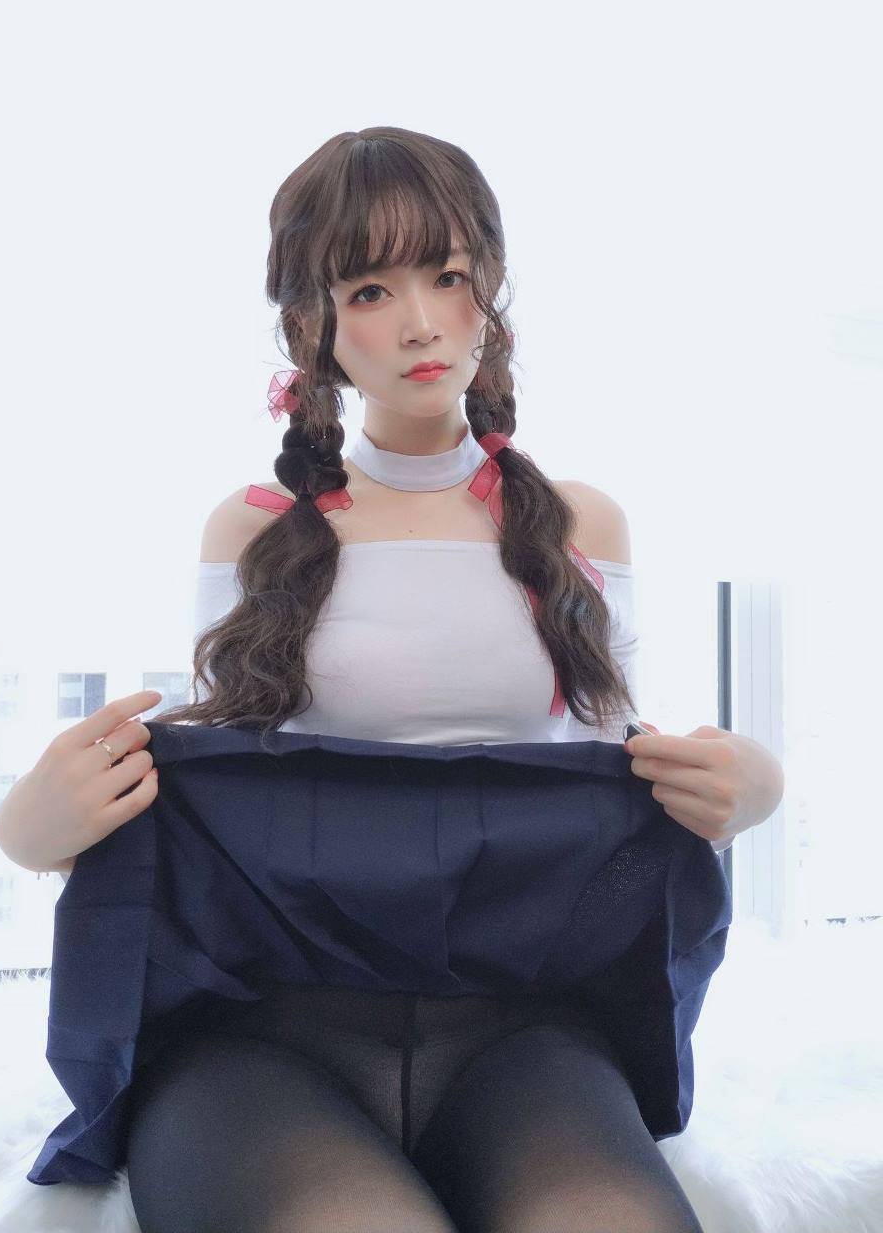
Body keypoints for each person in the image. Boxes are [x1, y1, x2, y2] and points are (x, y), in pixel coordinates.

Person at [124, 127, 708, 1232]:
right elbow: (208, 790)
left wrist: (745, 790)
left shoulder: (579, 523)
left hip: (519, 1029)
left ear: (492, 287)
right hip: (266, 1033)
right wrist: (36, 830)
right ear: (312, 325)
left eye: (447, 275)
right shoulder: (253, 530)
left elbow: (609, 783)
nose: (423, 323)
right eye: (370, 290)